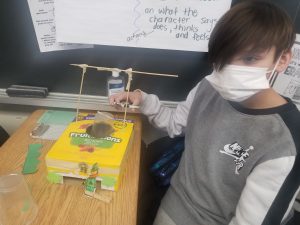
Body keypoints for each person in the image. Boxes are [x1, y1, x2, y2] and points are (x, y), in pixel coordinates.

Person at [109, 1, 300, 224]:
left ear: (282, 60)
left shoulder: (284, 141)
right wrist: (143, 101)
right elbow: (175, 123)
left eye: (250, 59)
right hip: (175, 202)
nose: (231, 69)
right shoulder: (208, 87)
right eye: (225, 57)